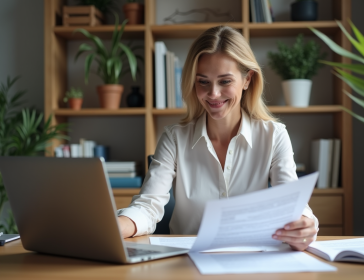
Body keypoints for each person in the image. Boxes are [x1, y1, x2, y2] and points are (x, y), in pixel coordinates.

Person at [117, 26, 318, 251]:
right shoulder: (174, 138)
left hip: (253, 263)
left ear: (247, 79)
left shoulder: (274, 136)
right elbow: (148, 207)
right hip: (187, 265)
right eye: (203, 82)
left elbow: (292, 206)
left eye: (224, 81)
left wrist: (303, 226)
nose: (213, 94)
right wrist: (117, 226)